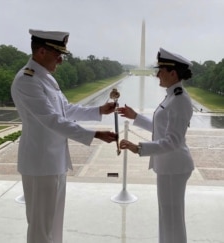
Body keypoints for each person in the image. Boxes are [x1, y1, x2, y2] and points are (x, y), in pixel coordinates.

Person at [11, 29, 116, 243]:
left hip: (54, 162)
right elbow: (52, 120)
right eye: (57, 53)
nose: (60, 60)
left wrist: (99, 111)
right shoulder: (27, 80)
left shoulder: (46, 78)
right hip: (40, 165)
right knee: (40, 229)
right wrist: (94, 134)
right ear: (41, 52)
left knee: (54, 224)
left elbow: (65, 109)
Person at [118, 48, 194, 243]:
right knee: (167, 217)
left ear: (173, 73)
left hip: (174, 167)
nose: (157, 74)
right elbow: (161, 127)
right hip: (168, 165)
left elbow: (173, 140)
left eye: (161, 69)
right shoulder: (172, 95)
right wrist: (135, 117)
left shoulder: (179, 100)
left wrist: (140, 148)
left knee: (173, 220)